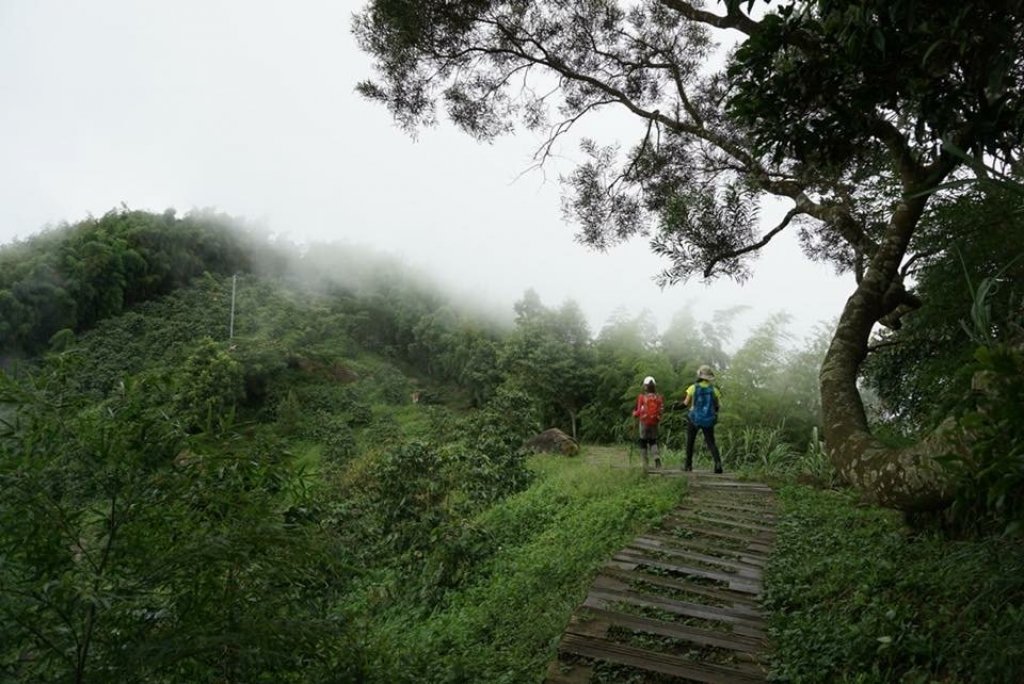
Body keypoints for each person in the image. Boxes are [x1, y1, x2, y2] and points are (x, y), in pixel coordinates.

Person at [683, 365, 723, 473]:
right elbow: (718, 406)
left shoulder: (693, 387)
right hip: (708, 420)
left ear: (700, 375)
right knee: (711, 442)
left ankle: (688, 466)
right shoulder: (714, 390)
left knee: (690, 442)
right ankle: (718, 464)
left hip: (694, 418)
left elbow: (685, 403)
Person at [632, 376, 664, 469]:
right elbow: (661, 411)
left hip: (644, 422)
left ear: (645, 386)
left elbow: (638, 412)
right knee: (653, 441)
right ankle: (657, 459)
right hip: (654, 422)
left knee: (643, 441)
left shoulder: (642, 397)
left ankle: (645, 463)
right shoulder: (658, 397)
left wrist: (634, 413)